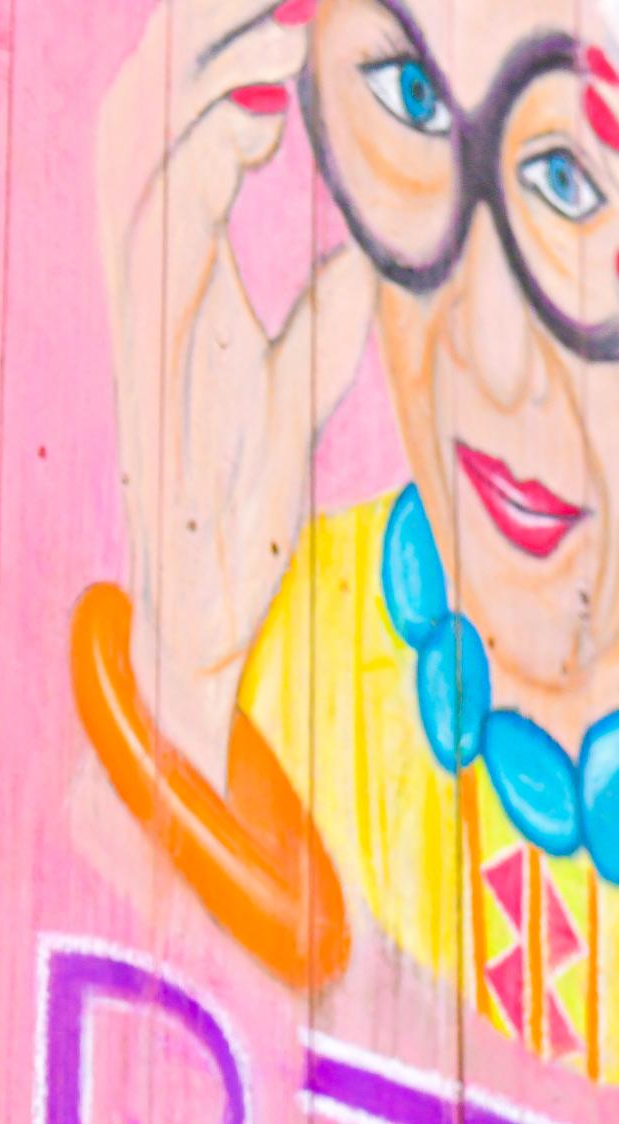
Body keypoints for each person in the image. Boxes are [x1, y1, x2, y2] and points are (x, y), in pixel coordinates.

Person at [77, 0, 619, 1082]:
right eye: (412, 101)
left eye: (574, 180)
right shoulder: (296, 644)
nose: (491, 360)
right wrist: (183, 689)